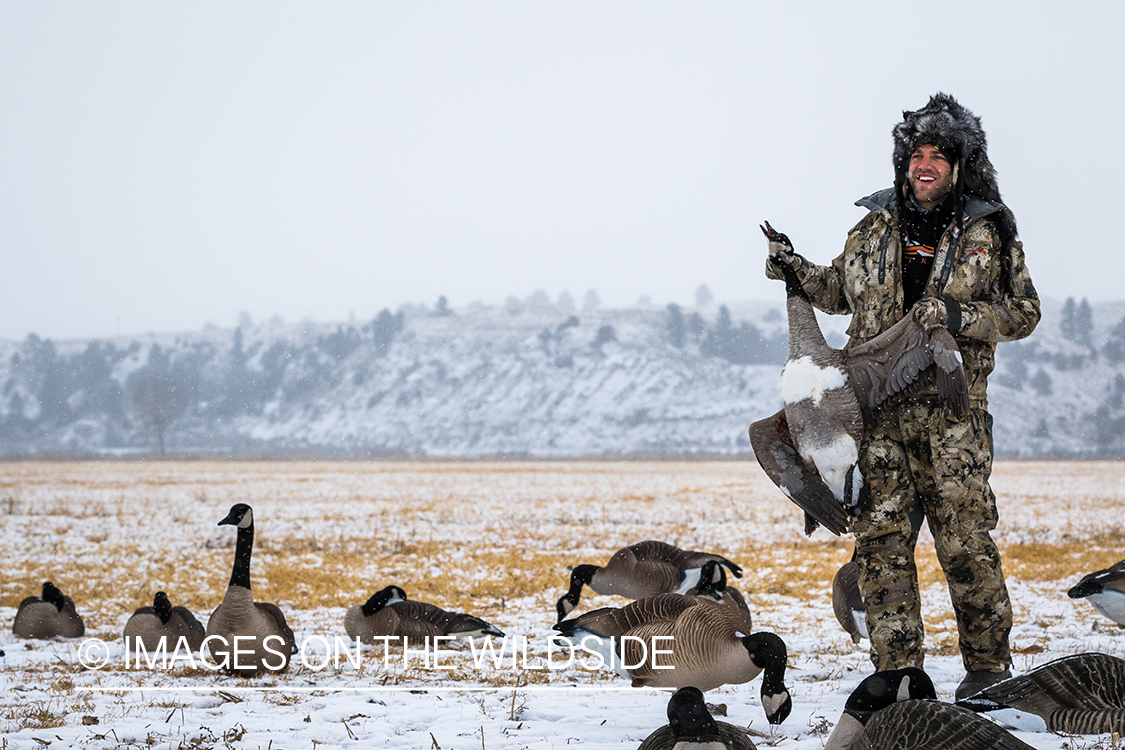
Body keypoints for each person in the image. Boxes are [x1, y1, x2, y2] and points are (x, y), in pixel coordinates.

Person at [764, 93, 1040, 698]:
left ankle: (988, 674)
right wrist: (794, 269)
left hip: (952, 421)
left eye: (938, 156)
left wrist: (959, 314)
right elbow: (838, 290)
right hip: (876, 419)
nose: (925, 165)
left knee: (966, 545)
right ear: (902, 161)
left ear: (959, 165)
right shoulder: (870, 228)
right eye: (916, 154)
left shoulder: (988, 231)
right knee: (881, 549)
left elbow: (1024, 313)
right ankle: (897, 676)